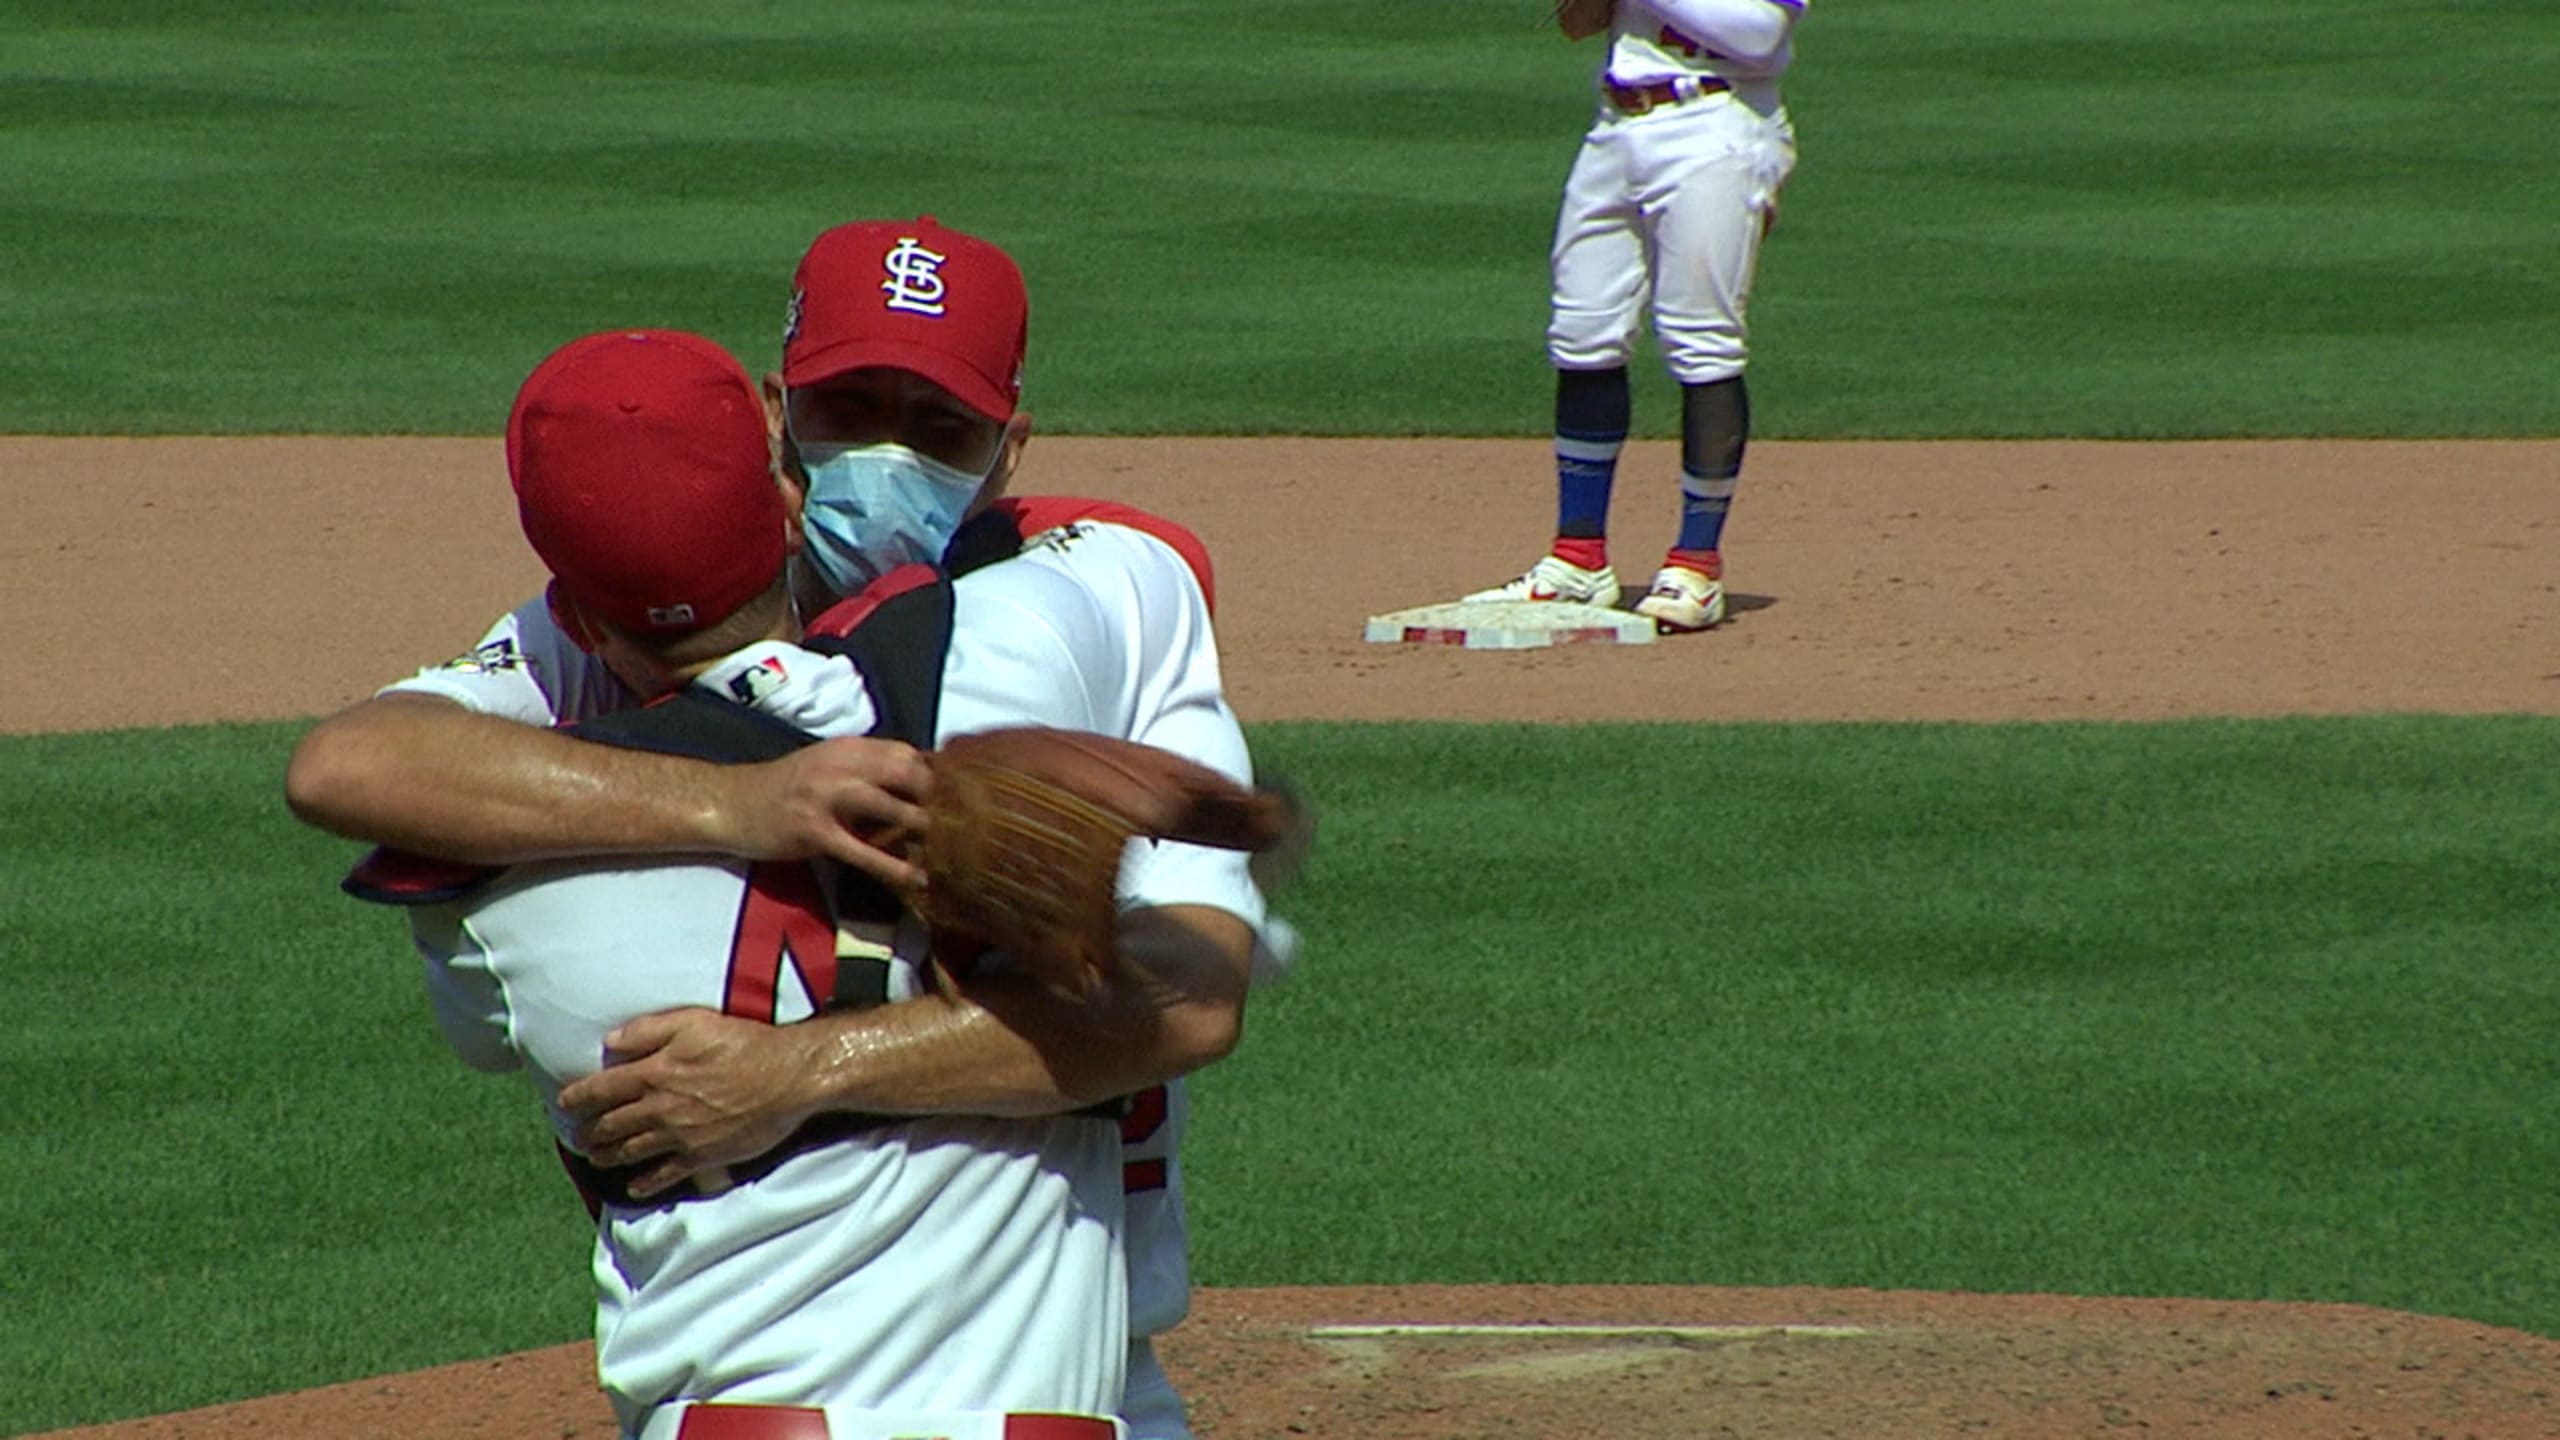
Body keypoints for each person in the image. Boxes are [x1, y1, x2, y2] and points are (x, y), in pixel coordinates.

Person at [285, 217, 1278, 1440]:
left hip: (842, 1364)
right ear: (776, 430)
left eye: (937, 426)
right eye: (848, 407)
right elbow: (1173, 996)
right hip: (1058, 1364)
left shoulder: (514, 856)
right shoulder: (1094, 600)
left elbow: (354, 766)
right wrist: (746, 801)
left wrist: (790, 1075)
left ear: (1008, 445)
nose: (885, 457)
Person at [1466, 0, 1807, 632]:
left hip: (1716, 128)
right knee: (1582, 334)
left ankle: (1695, 565)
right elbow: (1578, 24)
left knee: (1702, 343)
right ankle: (1578, 559)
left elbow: (1759, 36)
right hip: (1615, 128)